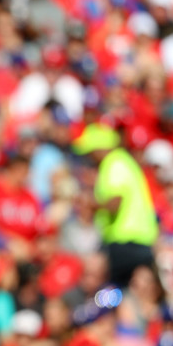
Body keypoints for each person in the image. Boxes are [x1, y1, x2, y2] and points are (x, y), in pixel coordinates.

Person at [71, 123, 158, 290]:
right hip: (138, 241)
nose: (89, 157)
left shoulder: (114, 163)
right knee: (124, 291)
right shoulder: (123, 162)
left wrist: (89, 202)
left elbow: (115, 203)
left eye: (90, 152)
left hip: (125, 241)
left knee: (103, 287)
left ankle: (98, 314)